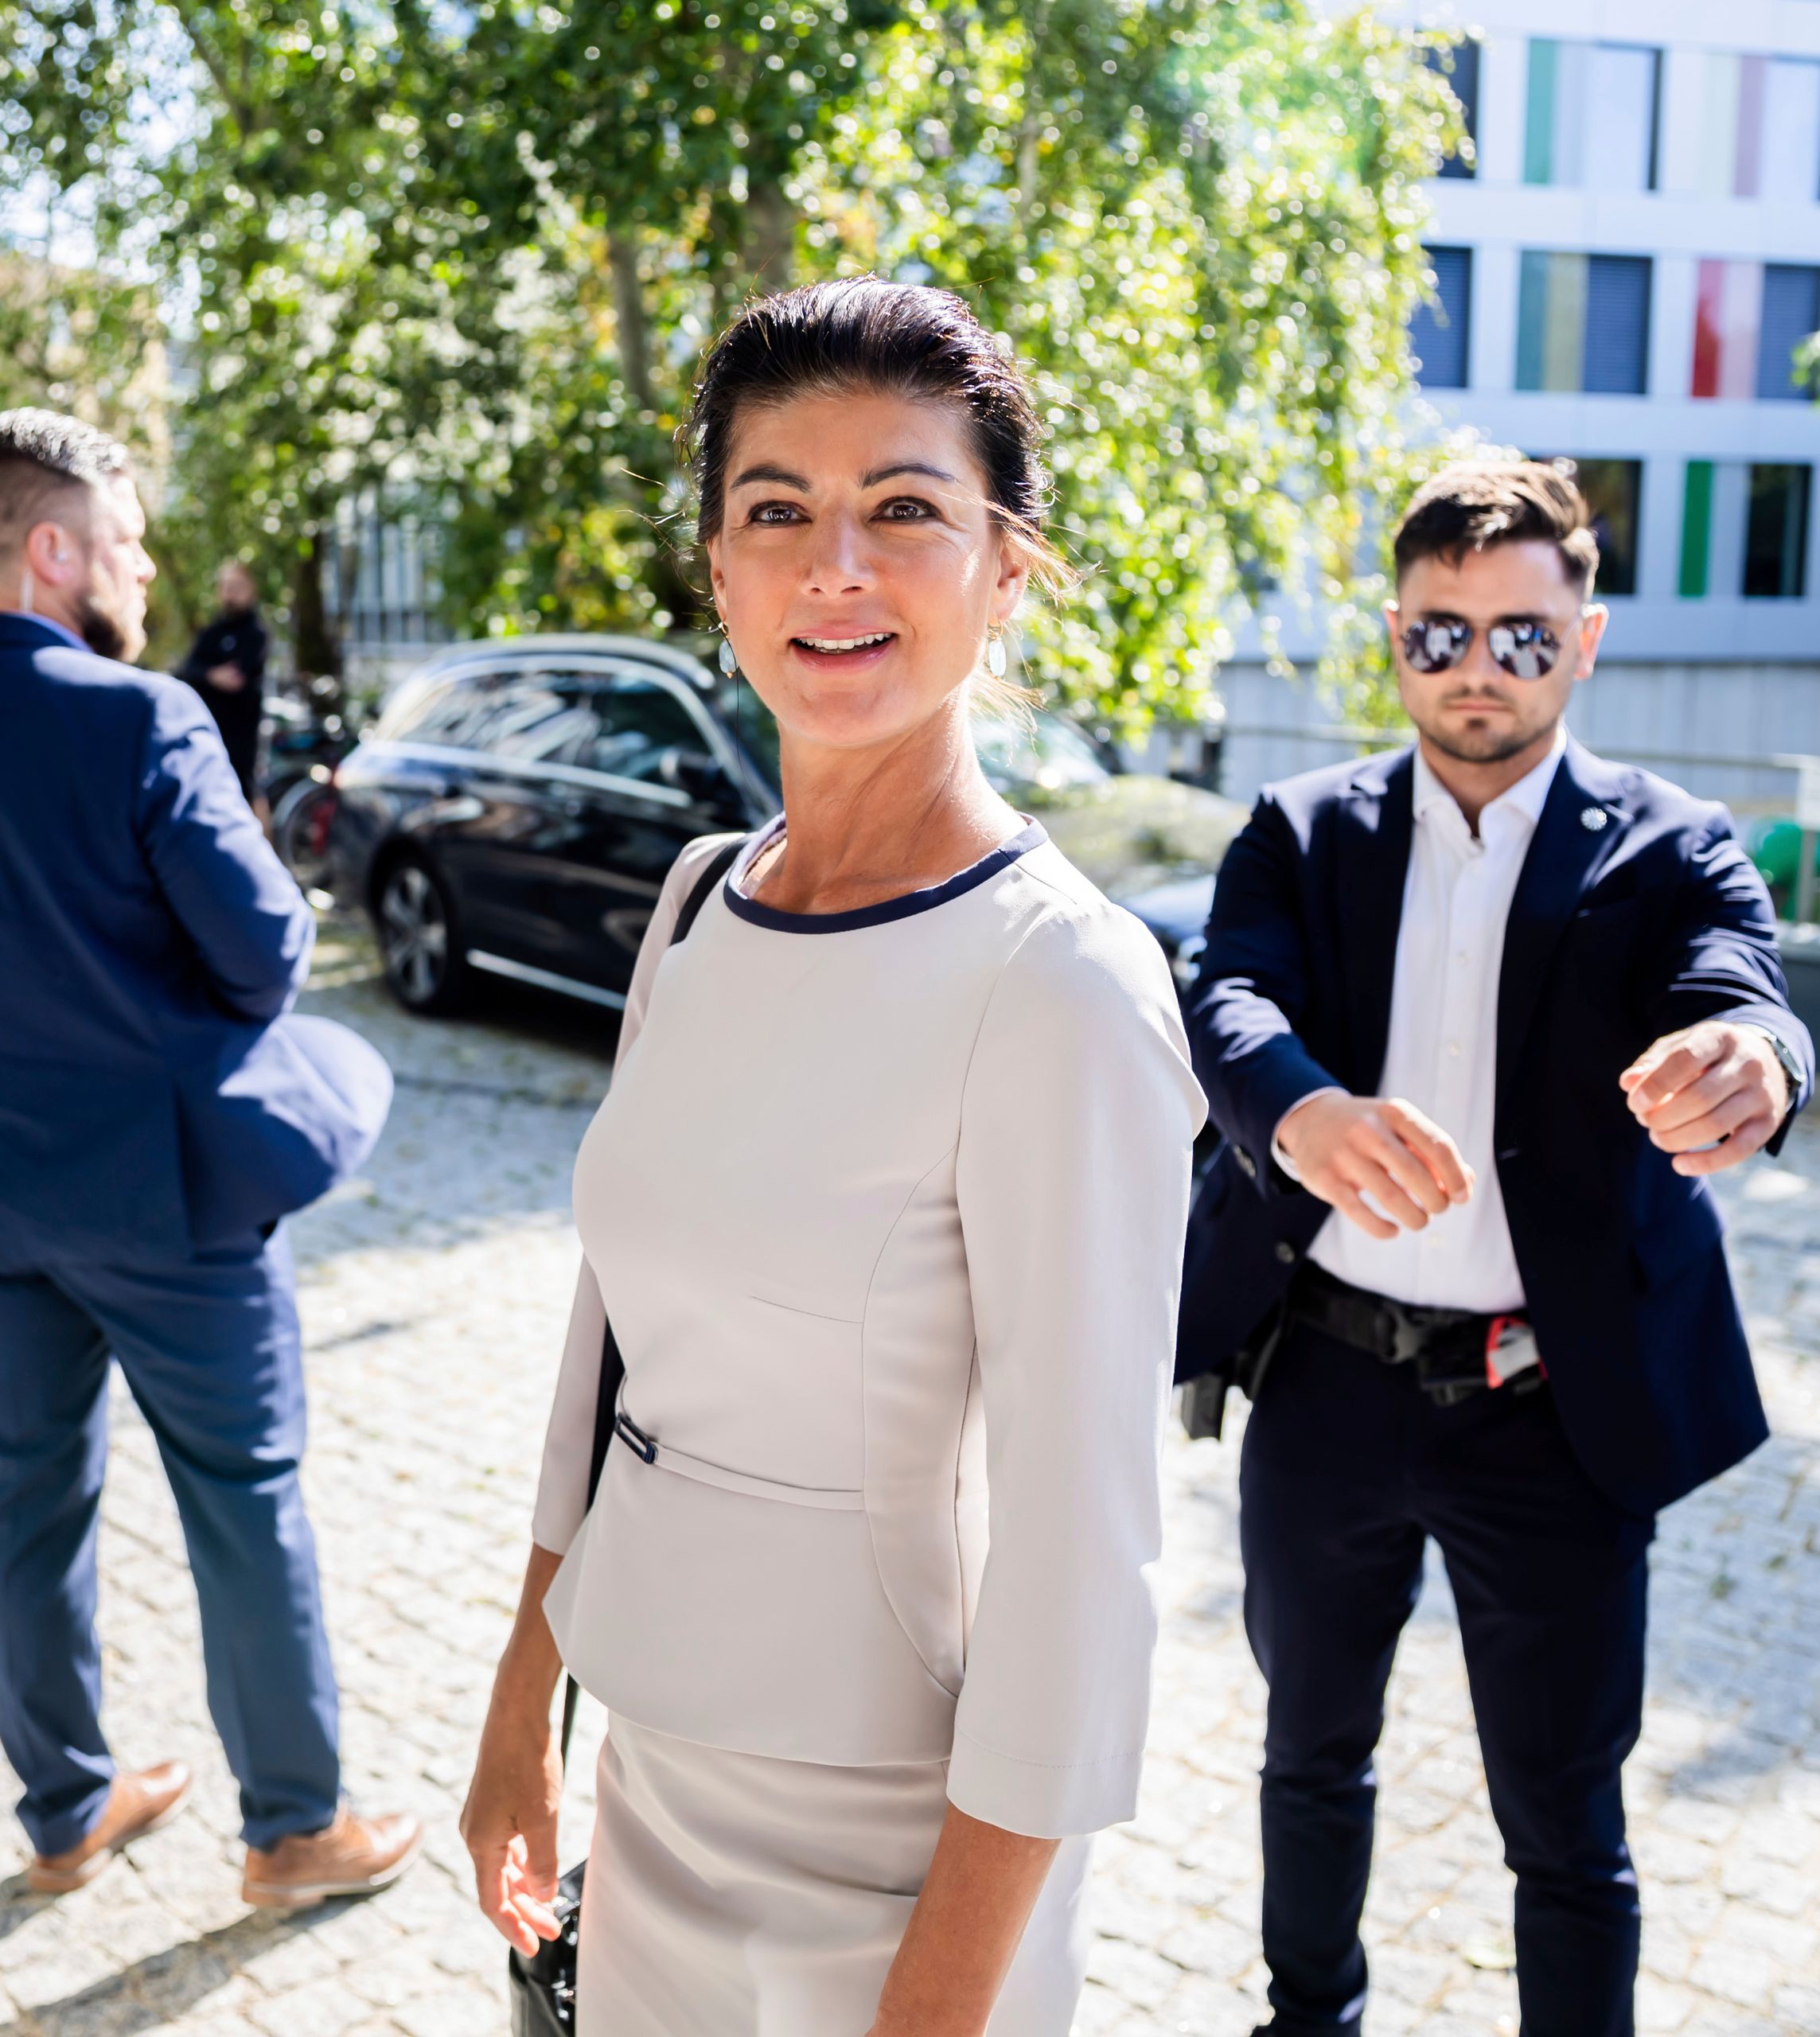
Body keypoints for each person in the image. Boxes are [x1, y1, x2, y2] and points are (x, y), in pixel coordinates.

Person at [458, 278, 1205, 2036]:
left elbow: (1081, 1572)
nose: (833, 567)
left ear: (1009, 567)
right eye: (775, 511)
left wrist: (936, 2010)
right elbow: (610, 1346)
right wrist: (521, 1706)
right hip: (653, 1789)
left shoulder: (1060, 979)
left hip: (903, 1859)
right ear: (718, 572)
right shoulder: (698, 898)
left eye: (907, 511)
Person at [1181, 462, 1815, 2037]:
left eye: (1524, 636)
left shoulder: (1671, 846)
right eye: (1442, 633)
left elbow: (1744, 981)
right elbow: (1225, 997)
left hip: (1553, 1408)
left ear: (1583, 642)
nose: (1481, 668)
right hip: (1323, 1385)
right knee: (1308, 1747)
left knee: (1567, 1816)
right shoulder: (1299, 828)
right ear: (1394, 639)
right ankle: (1307, 2013)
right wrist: (1296, 1110)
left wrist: (1757, 1058)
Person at [0, 410, 413, 1911]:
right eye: (129, 536)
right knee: (245, 1492)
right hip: (170, 1204)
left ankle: (64, 1809)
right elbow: (269, 956)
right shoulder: (143, 719)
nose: (145, 565)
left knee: (26, 1498)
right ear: (53, 550)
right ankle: (293, 1829)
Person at [179, 559, 270, 811]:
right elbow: (186, 670)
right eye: (226, 586)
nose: (230, 593)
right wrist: (211, 675)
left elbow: (237, 678)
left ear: (251, 589)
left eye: (237, 586)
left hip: (242, 737)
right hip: (210, 731)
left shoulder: (255, 633)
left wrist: (208, 674)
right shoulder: (212, 632)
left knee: (247, 795)